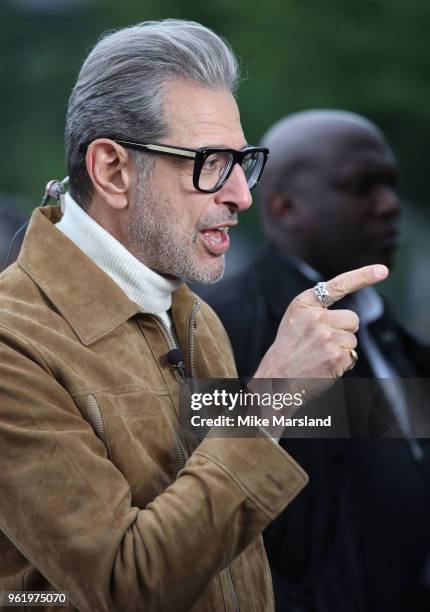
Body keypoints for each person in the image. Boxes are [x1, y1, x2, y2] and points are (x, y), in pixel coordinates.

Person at [0, 24, 387, 612]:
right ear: (112, 170)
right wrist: (276, 393)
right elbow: (123, 586)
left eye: (243, 162)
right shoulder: (12, 342)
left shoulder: (194, 315)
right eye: (211, 162)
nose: (240, 195)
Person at [202, 110, 430, 611]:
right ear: (284, 207)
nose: (390, 206)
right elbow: (207, 513)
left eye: (392, 185)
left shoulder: (384, 327)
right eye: (363, 187)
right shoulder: (220, 327)